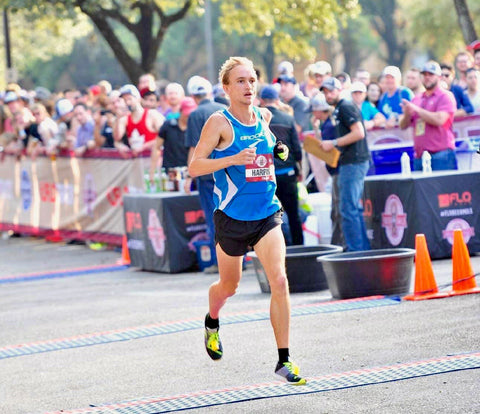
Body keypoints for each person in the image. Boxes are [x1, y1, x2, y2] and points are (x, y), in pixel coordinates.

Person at [189, 56, 306, 385]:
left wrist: (279, 150)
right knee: (229, 286)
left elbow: (270, 148)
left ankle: (284, 359)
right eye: (240, 81)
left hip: (267, 212)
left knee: (279, 281)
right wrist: (232, 158)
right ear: (226, 88)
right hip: (232, 217)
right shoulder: (219, 123)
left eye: (251, 80)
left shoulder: (264, 115)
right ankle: (212, 320)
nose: (248, 86)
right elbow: (195, 167)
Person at [319, 77, 371, 252]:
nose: (328, 95)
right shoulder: (340, 108)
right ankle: (361, 249)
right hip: (351, 161)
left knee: (347, 208)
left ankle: (355, 250)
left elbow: (359, 133)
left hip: (354, 161)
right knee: (352, 207)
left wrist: (333, 143)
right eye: (325, 92)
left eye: (330, 91)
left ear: (339, 90)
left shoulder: (345, 107)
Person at [185, 75, 226, 274]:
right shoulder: (223, 110)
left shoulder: (196, 115)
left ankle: (220, 263)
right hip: (227, 171)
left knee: (214, 218)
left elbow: (194, 148)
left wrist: (188, 175)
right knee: (231, 215)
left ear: (193, 96)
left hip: (207, 174)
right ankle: (238, 261)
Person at [259, 84, 304, 246]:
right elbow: (297, 149)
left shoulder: (257, 119)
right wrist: (299, 168)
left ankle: (278, 249)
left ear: (262, 101)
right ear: (277, 100)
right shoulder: (288, 119)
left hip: (265, 175)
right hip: (288, 173)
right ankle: (299, 248)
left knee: (271, 217)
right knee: (293, 214)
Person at [399, 61, 457, 171]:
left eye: (431, 74)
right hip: (420, 156)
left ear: (439, 77)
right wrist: (407, 114)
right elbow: (402, 126)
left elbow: (440, 120)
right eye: (424, 74)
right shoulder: (417, 98)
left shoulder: (446, 96)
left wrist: (417, 110)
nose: (427, 77)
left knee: (442, 188)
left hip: (441, 154)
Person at [309, 94, 344, 248]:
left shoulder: (330, 125)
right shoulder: (328, 124)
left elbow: (328, 148)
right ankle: (337, 243)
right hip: (336, 170)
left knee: (338, 209)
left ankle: (339, 243)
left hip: (338, 170)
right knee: (336, 209)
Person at [149, 97, 196, 184]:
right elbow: (157, 147)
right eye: (187, 115)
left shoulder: (195, 128)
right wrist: (152, 171)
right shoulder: (168, 126)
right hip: (170, 171)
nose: (189, 117)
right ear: (180, 111)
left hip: (189, 171)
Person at [114, 84, 165, 155]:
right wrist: (120, 146)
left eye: (130, 99)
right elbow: (117, 138)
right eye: (125, 100)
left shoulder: (152, 115)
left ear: (138, 99)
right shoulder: (124, 119)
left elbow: (165, 136)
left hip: (153, 159)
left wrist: (143, 147)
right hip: (136, 161)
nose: (128, 103)